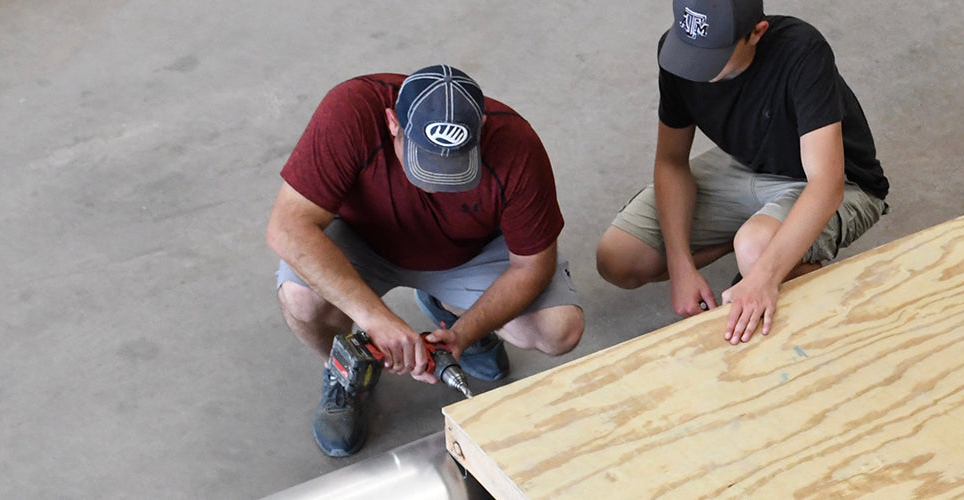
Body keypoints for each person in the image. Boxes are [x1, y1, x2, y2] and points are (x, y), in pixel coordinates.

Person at [266, 65, 585, 457]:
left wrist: (465, 332)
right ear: (392, 123)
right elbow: (287, 227)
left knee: (559, 329)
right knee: (301, 298)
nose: (436, 182)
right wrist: (375, 319)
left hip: (465, 253)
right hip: (364, 241)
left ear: (481, 127)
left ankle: (448, 310)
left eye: (454, 168)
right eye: (425, 161)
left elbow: (532, 265)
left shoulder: (516, 145)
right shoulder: (351, 110)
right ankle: (346, 367)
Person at [597, 0, 890, 345]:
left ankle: (780, 265)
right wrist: (681, 266)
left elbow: (826, 185)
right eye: (689, 47)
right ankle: (756, 244)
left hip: (837, 179)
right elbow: (671, 161)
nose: (695, 67)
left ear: (756, 33)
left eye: (713, 54)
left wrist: (763, 275)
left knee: (755, 251)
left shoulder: (802, 52)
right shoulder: (677, 55)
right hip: (748, 162)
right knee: (617, 258)